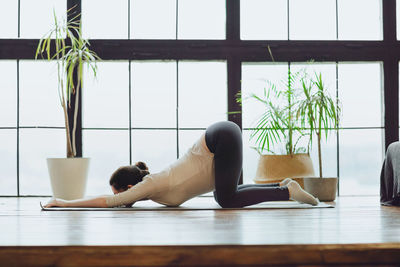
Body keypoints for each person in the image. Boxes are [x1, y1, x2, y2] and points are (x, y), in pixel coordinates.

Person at [44, 121, 319, 208]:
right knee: (223, 192)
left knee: (225, 199)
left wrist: (65, 203)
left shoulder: (149, 185)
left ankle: (287, 192)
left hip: (219, 138)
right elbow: (115, 198)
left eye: (121, 192)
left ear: (128, 187)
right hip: (220, 138)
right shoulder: (153, 188)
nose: (122, 198)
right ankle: (281, 185)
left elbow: (108, 201)